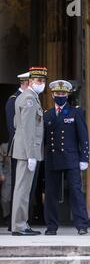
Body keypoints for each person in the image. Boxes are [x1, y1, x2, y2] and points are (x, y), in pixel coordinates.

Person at [43, 80, 90, 235]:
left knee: (76, 192)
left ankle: (82, 225)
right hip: (52, 158)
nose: (60, 96)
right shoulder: (47, 114)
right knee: (51, 193)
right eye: (57, 93)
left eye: (63, 93)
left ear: (68, 94)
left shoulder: (75, 112)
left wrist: (84, 157)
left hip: (71, 158)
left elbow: (83, 136)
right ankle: (51, 226)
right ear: (52, 94)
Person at [11, 67, 47, 236]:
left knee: (23, 189)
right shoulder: (29, 99)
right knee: (23, 189)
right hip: (27, 152)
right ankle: (19, 225)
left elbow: (16, 124)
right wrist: (31, 155)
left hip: (24, 150)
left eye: (43, 81)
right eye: (39, 81)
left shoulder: (25, 97)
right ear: (31, 81)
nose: (42, 84)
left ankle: (21, 223)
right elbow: (27, 129)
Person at [5, 72, 30, 231]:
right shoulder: (14, 100)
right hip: (20, 150)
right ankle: (14, 223)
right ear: (26, 82)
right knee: (19, 185)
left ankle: (24, 221)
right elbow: (13, 128)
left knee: (27, 187)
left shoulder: (29, 98)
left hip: (29, 150)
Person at [0, 142, 11, 223]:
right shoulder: (4, 146)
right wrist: (1, 173)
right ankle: (7, 215)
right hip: (7, 173)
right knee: (5, 198)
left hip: (19, 173)